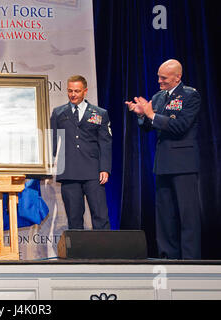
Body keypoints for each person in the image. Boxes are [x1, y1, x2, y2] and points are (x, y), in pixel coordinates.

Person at [126, 59, 201, 259]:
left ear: (178, 77)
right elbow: (149, 127)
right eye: (158, 76)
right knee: (165, 216)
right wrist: (142, 115)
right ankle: (168, 257)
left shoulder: (190, 96)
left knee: (188, 215)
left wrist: (152, 115)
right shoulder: (158, 97)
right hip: (164, 163)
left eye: (164, 77)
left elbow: (180, 127)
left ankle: (191, 259)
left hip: (184, 164)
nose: (159, 81)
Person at [50, 75, 112, 230]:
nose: (73, 94)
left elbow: (105, 143)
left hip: (93, 172)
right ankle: (76, 254)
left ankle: (105, 252)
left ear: (85, 91)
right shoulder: (58, 113)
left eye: (77, 91)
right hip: (69, 172)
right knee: (74, 218)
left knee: (100, 215)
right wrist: (47, 164)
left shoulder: (99, 113)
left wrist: (105, 168)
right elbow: (51, 141)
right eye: (70, 91)